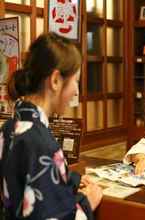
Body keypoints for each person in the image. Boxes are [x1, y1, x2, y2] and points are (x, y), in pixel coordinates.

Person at [0, 32, 102, 219]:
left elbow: (28, 176)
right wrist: (88, 202)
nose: (75, 91)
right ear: (55, 81)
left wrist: (71, 179)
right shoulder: (41, 143)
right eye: (75, 82)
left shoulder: (9, 127)